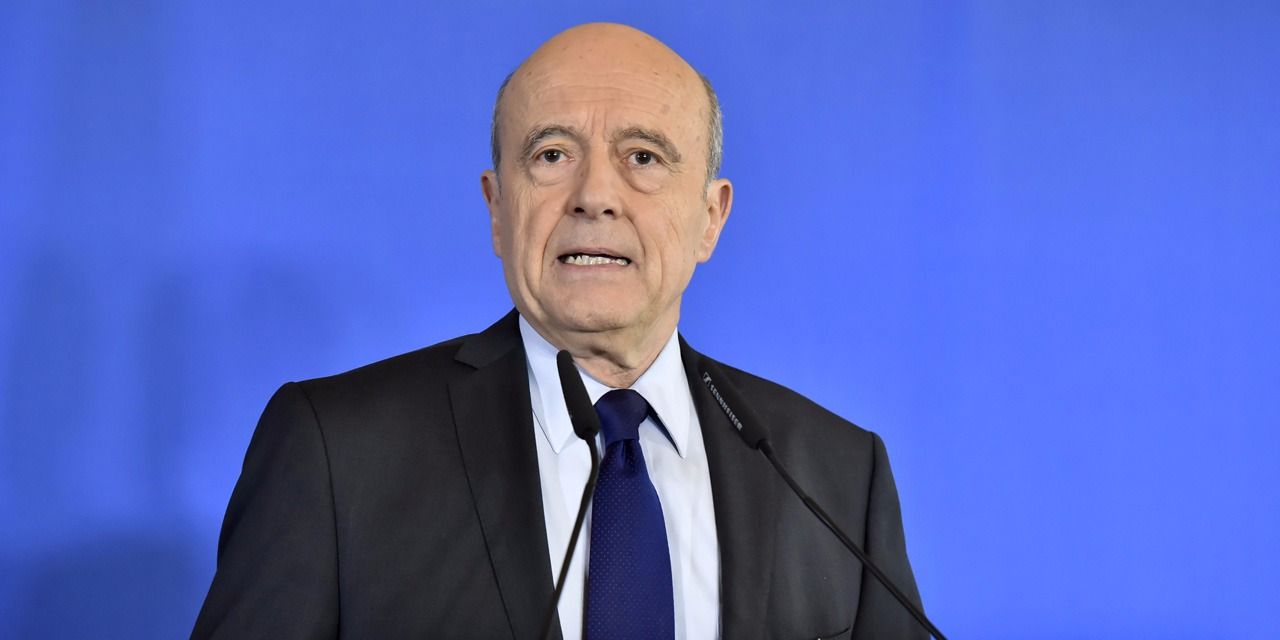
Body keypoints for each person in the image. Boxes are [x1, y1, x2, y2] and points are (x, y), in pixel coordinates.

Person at [192, 22, 927, 640]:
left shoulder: (836, 474)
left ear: (711, 217)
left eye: (643, 157)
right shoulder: (337, 452)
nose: (595, 195)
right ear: (497, 208)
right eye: (552, 155)